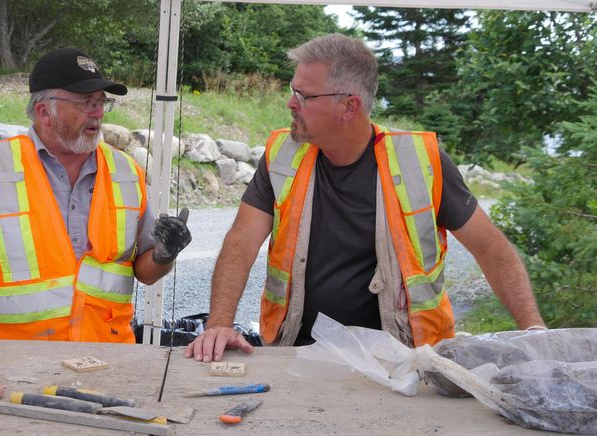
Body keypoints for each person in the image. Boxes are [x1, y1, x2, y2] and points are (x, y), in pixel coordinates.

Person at [185, 34, 546, 363]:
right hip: (296, 354)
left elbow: (491, 249)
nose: (289, 103)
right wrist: (219, 324)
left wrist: (534, 334)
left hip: (407, 362)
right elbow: (241, 241)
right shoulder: (282, 153)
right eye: (293, 90)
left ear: (349, 107)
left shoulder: (421, 161)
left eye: (303, 96)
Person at [0, 48, 192, 358]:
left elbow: (145, 271)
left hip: (110, 359)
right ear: (44, 112)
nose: (98, 112)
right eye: (85, 102)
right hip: (21, 362)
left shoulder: (126, 173)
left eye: (101, 102)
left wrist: (163, 254)